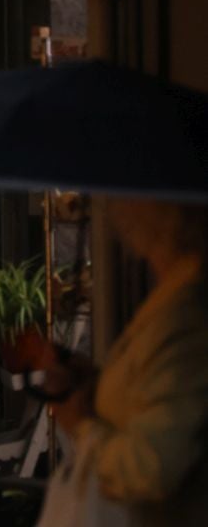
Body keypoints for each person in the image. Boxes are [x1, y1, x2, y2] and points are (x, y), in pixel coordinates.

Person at [35, 199, 208, 525]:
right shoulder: (175, 294)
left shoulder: (188, 315)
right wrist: (96, 384)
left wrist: (82, 425)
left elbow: (153, 466)